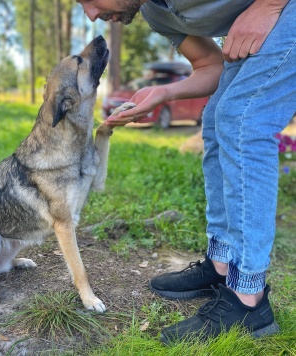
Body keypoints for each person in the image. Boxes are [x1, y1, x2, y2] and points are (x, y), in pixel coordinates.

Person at [77, 0, 296, 343]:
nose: (90, 14)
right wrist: (163, 92)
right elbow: (210, 65)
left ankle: (249, 299)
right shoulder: (156, 12)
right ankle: (222, 267)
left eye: (87, 0)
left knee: (242, 119)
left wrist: (269, 5)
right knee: (215, 119)